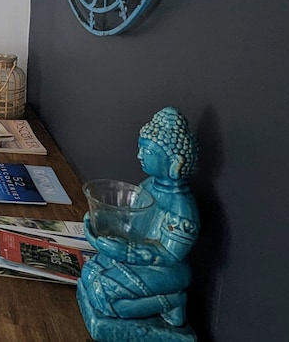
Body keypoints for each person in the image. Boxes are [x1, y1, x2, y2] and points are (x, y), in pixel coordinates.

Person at [80, 107, 199, 327]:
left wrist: (126, 252)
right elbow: (131, 225)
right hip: (135, 257)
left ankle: (170, 302)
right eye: (140, 148)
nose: (139, 156)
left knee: (103, 293)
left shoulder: (182, 207)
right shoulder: (147, 186)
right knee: (89, 273)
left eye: (148, 152)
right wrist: (100, 221)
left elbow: (171, 255)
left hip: (165, 270)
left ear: (175, 163)